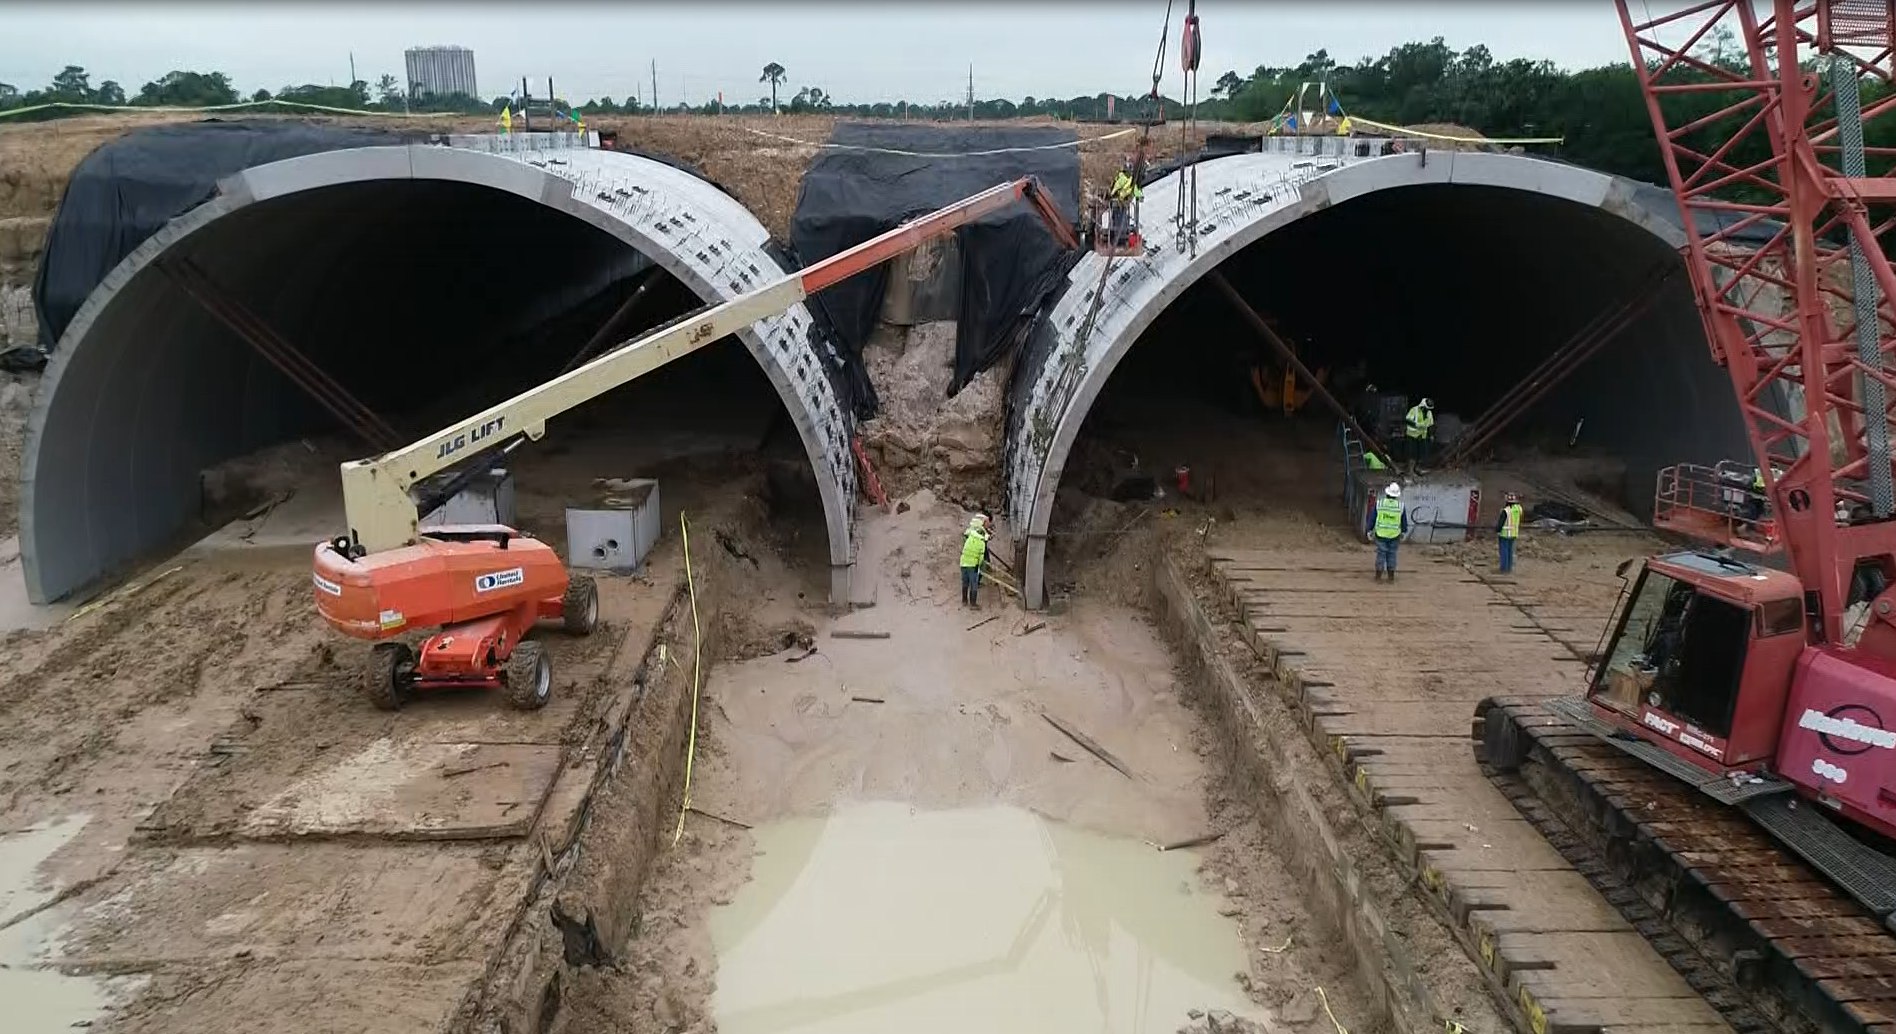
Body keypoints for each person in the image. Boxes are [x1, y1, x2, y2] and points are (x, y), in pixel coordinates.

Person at [1371, 482, 1409, 582]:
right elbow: (1404, 521)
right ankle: (1391, 578)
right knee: (1392, 554)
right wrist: (1404, 532)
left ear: (1387, 493)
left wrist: (1369, 530)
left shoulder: (1379, 504)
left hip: (1381, 535)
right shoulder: (1401, 507)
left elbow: (1372, 518)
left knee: (1381, 554)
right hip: (1395, 535)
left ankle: (1378, 577)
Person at [959, 511, 992, 607]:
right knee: (974, 584)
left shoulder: (970, 538)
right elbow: (981, 558)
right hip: (972, 565)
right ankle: (973, 604)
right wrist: (979, 567)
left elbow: (964, 551)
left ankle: (964, 601)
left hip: (963, 563)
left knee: (965, 583)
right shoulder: (981, 543)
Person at [1108, 158, 1142, 246]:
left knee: (1123, 217)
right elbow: (1116, 187)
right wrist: (1112, 195)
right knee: (1117, 217)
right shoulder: (1122, 178)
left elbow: (1135, 189)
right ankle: (1117, 236)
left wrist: (1140, 196)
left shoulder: (1131, 179)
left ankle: (1122, 236)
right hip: (1118, 201)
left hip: (1124, 202)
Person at [1403, 397, 1435, 473]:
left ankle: (1417, 469)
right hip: (1412, 435)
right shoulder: (1414, 410)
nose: (1427, 410)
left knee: (1420, 454)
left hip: (1422, 436)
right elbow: (1407, 420)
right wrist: (1416, 425)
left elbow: (1430, 424)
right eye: (1426, 408)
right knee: (1411, 454)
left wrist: (1431, 435)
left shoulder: (1429, 413)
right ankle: (1410, 471)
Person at [1496, 491, 1524, 575]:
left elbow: (1500, 523)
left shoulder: (1506, 511)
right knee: (1510, 551)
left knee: (1504, 552)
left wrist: (1497, 530)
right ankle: (1509, 568)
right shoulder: (1519, 509)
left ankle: (1504, 569)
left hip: (1505, 534)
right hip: (1514, 533)